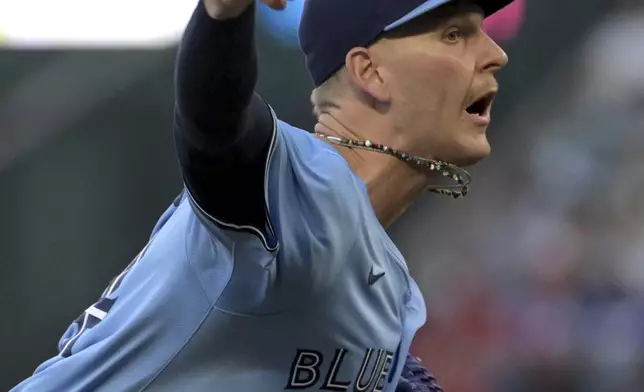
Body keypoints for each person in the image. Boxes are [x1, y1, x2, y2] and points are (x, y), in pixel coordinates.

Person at [11, 0, 510, 391]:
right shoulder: (307, 184)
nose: (495, 53)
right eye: (454, 34)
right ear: (370, 72)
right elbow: (216, 128)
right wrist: (222, 17)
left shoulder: (389, 285)